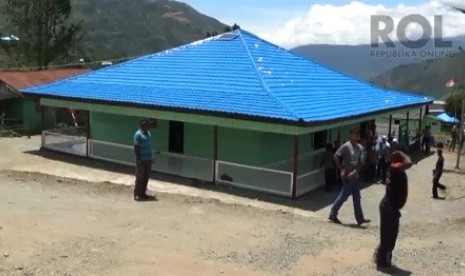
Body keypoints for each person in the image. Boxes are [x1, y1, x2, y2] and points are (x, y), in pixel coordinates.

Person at [374, 146, 412, 269]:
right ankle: (382, 262)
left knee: (392, 234)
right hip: (388, 205)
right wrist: (402, 154)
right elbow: (409, 163)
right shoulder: (395, 167)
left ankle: (382, 258)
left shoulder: (397, 169)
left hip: (393, 206)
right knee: (387, 236)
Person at [328, 128, 371, 226]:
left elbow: (362, 161)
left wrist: (356, 171)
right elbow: (335, 156)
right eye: (354, 134)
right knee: (343, 196)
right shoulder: (346, 146)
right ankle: (333, 213)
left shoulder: (360, 147)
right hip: (347, 176)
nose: (356, 136)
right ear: (351, 135)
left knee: (357, 197)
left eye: (357, 134)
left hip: (355, 177)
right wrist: (341, 170)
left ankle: (359, 218)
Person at [133, 118, 155, 201]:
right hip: (141, 159)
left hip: (148, 159)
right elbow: (136, 147)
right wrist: (138, 158)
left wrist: (152, 157)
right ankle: (137, 194)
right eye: (148, 124)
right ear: (143, 125)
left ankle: (143, 193)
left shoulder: (148, 133)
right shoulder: (138, 134)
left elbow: (150, 146)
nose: (149, 126)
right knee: (140, 177)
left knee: (146, 177)